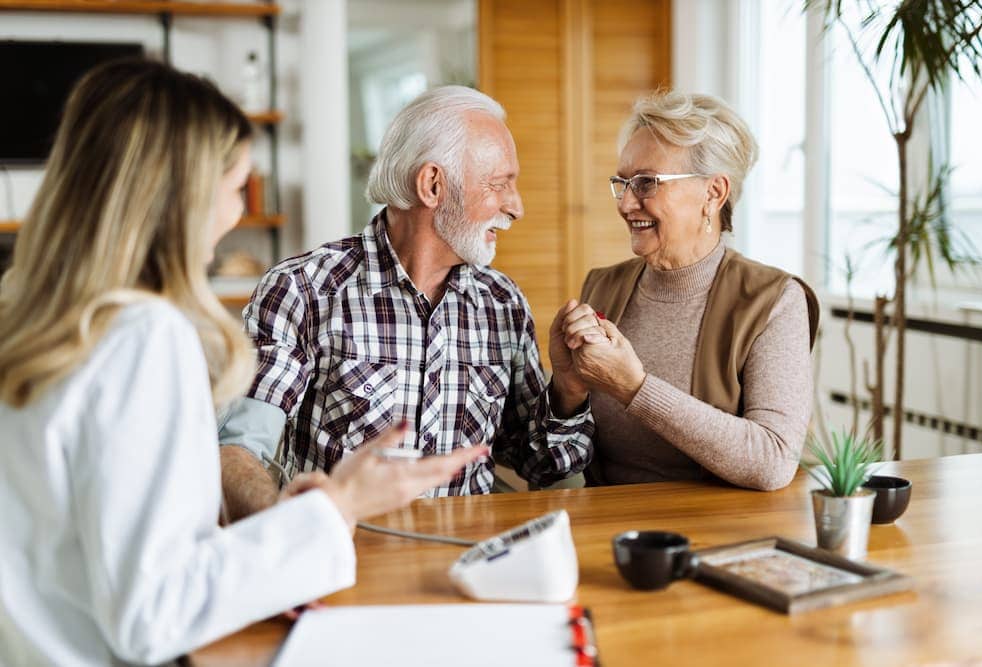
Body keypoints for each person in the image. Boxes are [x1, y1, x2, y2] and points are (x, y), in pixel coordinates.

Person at [0, 60, 484, 666]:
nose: (235, 218)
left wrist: (300, 520)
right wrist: (339, 508)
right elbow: (156, 613)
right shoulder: (143, 338)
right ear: (179, 197)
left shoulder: (27, 321)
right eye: (235, 188)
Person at [219, 86, 595, 518]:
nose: (516, 206)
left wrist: (568, 388)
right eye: (499, 185)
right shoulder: (303, 289)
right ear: (432, 184)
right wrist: (297, 535)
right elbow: (237, 451)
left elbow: (540, 465)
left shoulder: (502, 303)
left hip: (466, 563)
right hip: (348, 563)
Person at [555, 90, 819, 491]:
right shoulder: (601, 287)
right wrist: (565, 390)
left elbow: (773, 459)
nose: (626, 203)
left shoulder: (774, 301)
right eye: (622, 183)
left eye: (646, 183)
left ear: (713, 193)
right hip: (610, 531)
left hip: (715, 535)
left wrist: (635, 388)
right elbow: (558, 458)